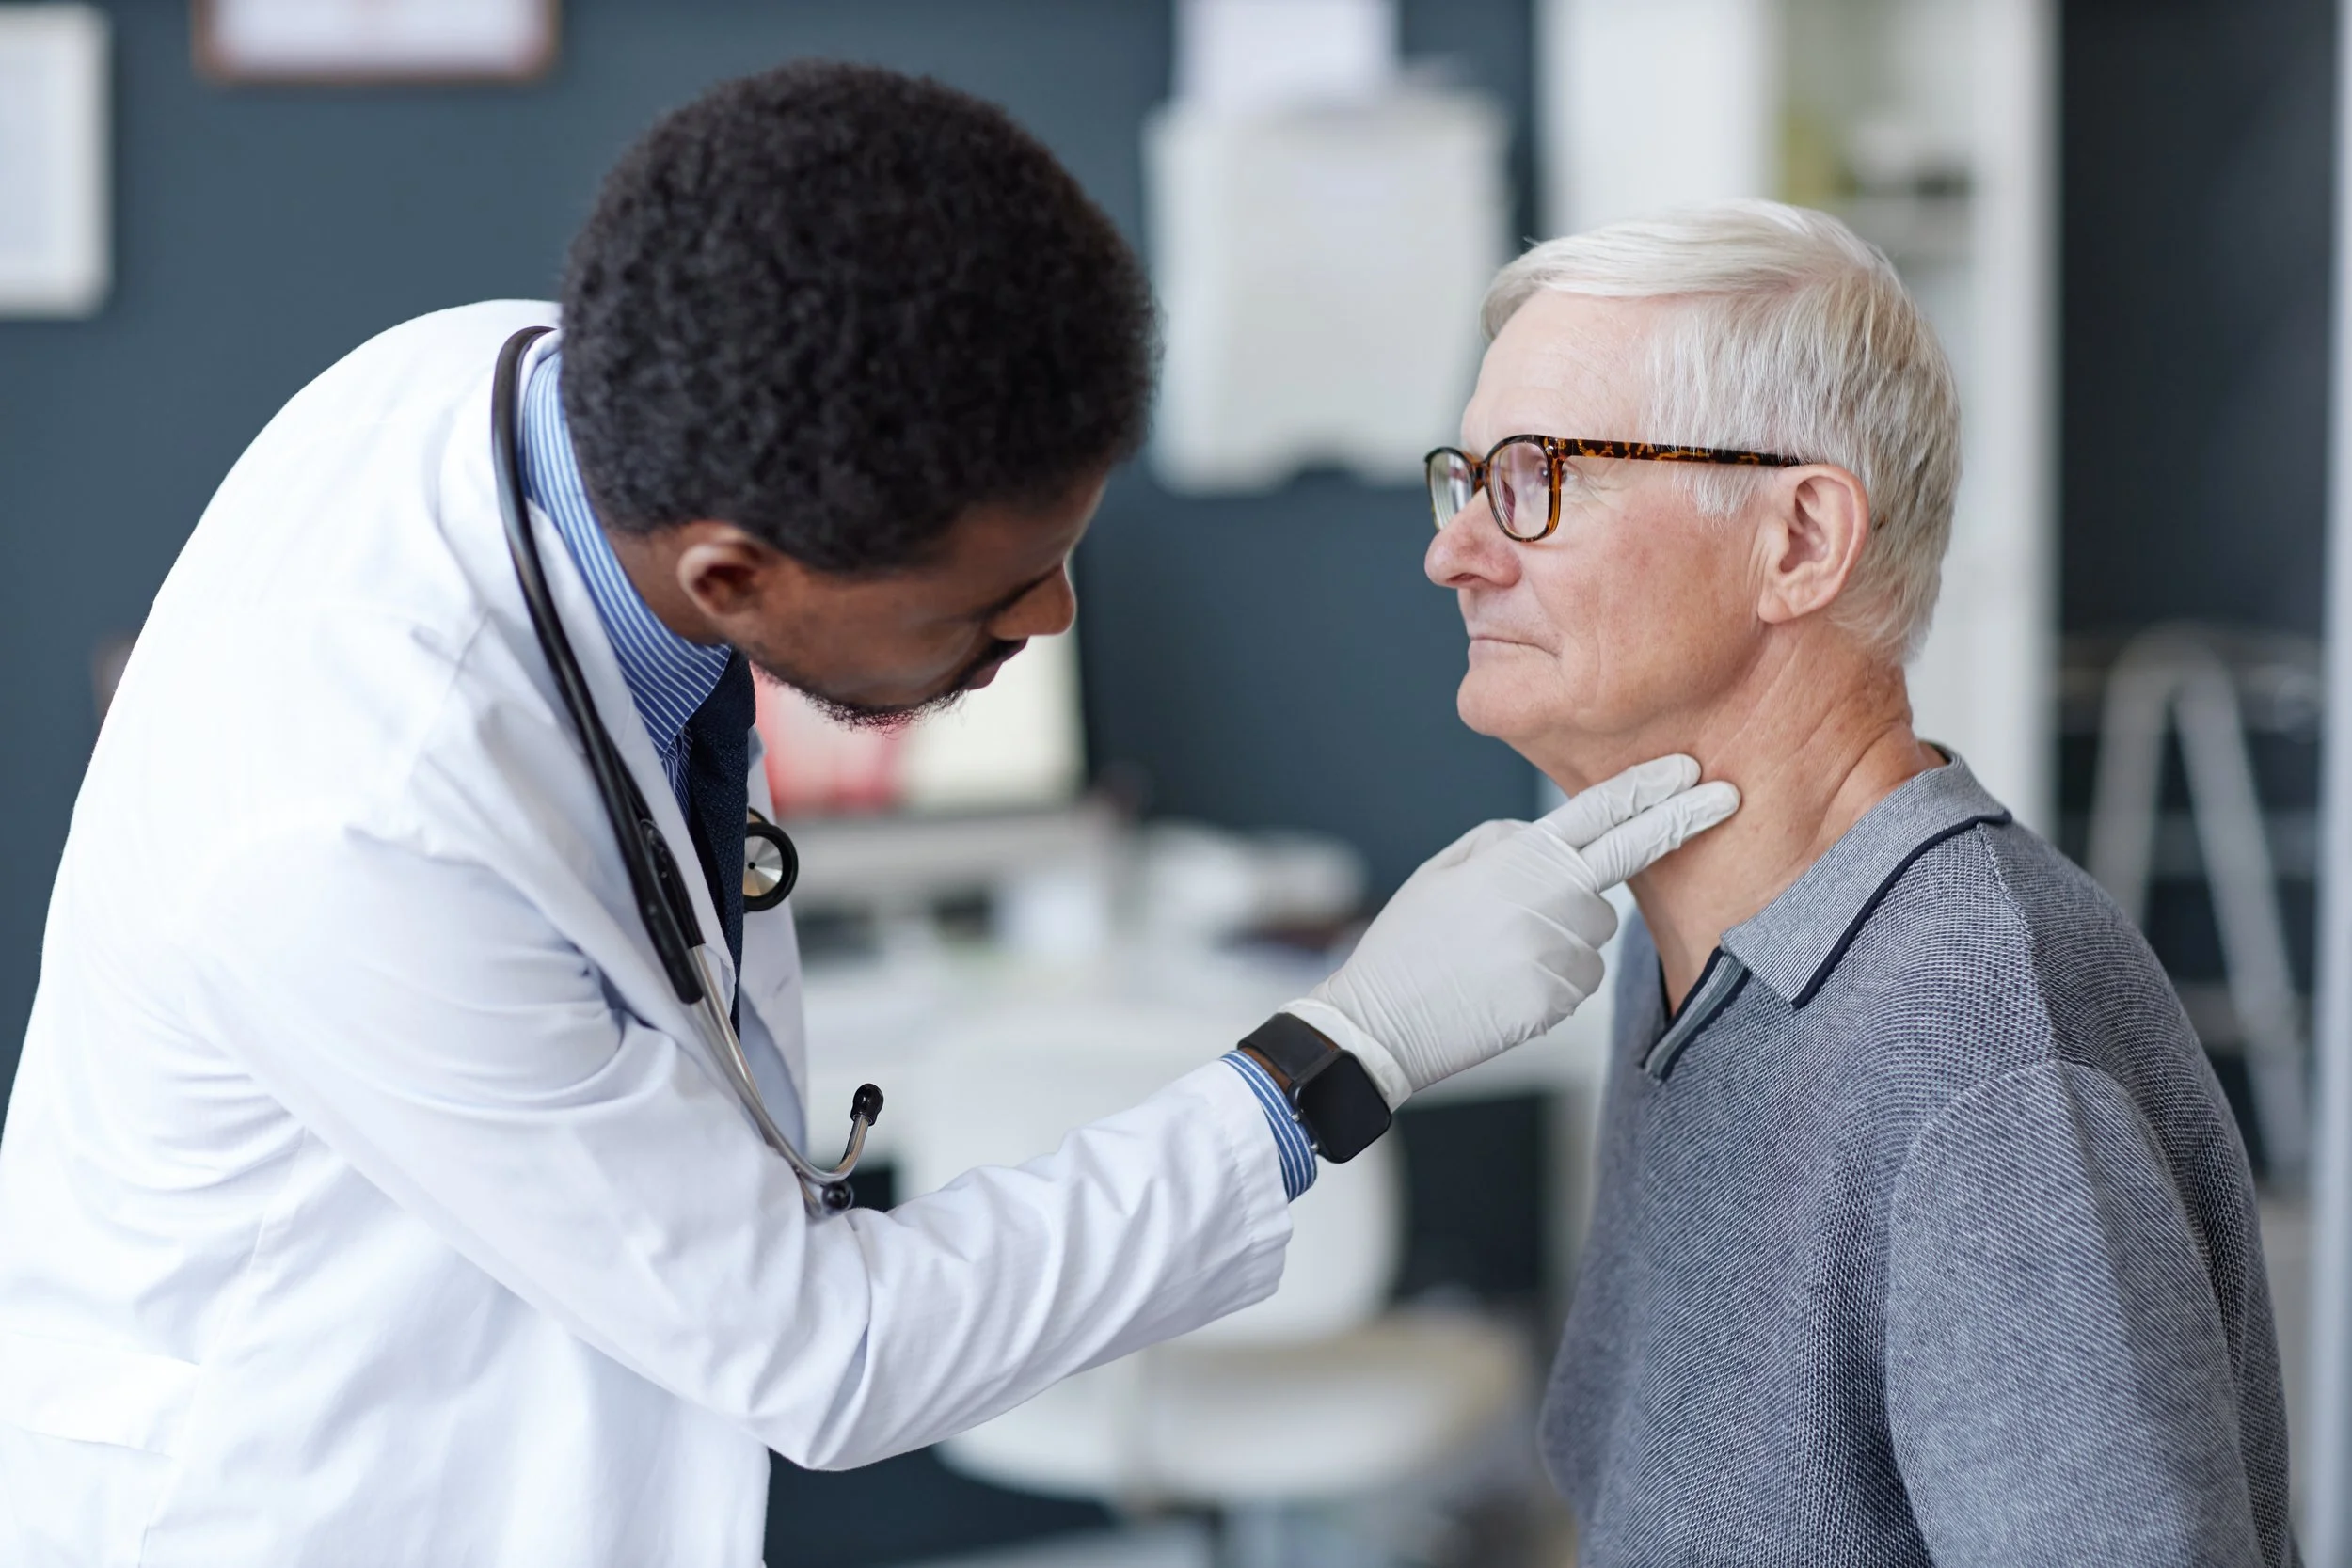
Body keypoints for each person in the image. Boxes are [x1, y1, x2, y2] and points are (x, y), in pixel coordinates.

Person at [0, 63, 1738, 1567]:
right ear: (737, 574)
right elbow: (827, 1353)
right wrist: (1347, 1045)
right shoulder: (354, 840)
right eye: (992, 593)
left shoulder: (545, 404)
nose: (1051, 621)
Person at [1424, 200, 2296, 1566]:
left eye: (1538, 478)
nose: (1457, 549)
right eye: (1464, 480)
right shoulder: (1695, 963)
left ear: (1800, 541)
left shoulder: (1980, 1061)